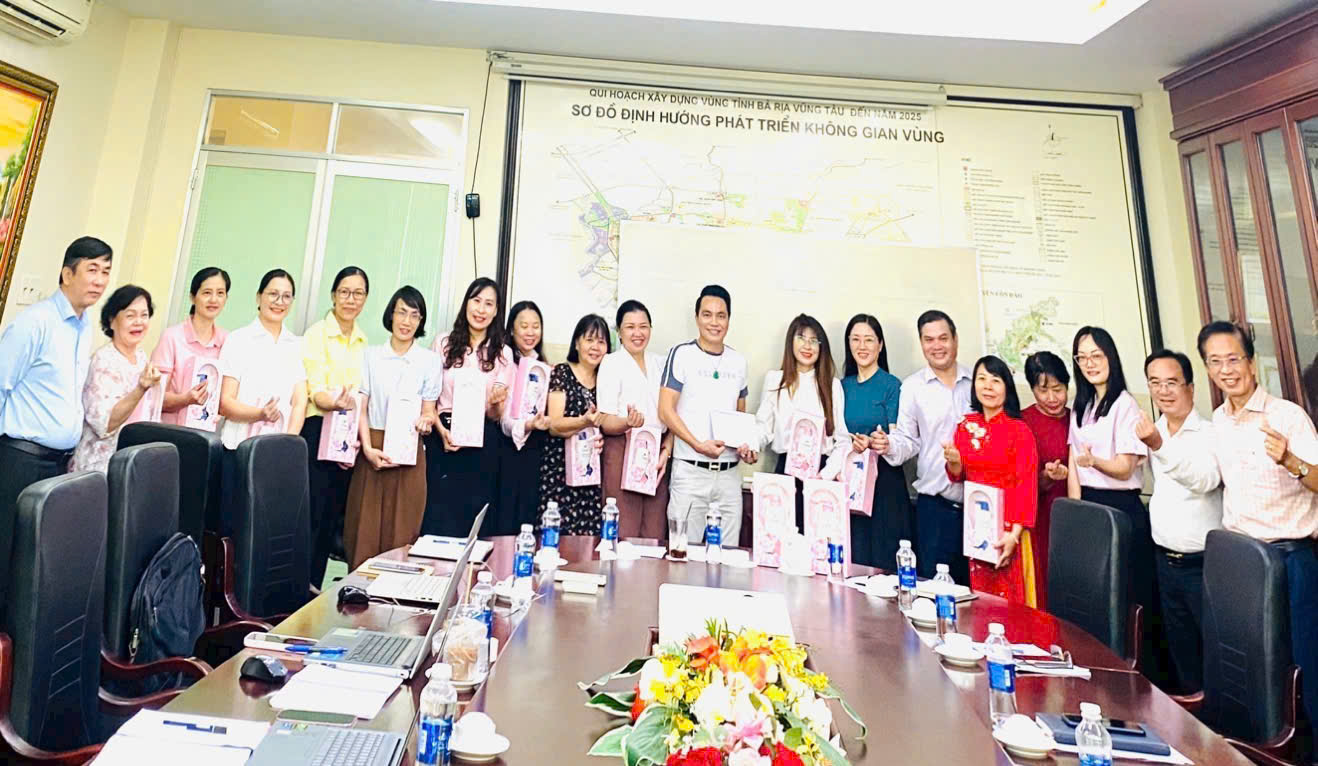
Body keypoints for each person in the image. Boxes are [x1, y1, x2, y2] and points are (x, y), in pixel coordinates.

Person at [1189, 321, 1318, 726]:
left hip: (1290, 561)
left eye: (1233, 359)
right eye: (1215, 362)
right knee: (1253, 671)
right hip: (1242, 564)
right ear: (1207, 369)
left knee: (1305, 668)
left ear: (1251, 362)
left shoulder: (1287, 415)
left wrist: (1289, 460)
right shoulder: (1219, 420)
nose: (1226, 370)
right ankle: (1257, 748)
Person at [0, 236, 109, 616]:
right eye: (92, 270)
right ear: (66, 274)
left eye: (105, 271)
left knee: (34, 565)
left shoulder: (83, 325)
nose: (100, 280)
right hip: (20, 460)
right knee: (6, 559)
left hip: (57, 463)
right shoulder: (35, 322)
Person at [1133, 349, 1222, 696]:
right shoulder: (1153, 430)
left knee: (1214, 654)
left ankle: (1218, 725)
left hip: (1203, 564)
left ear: (1190, 388)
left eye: (1171, 383)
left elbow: (1205, 481)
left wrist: (1159, 447)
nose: (1163, 391)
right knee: (1181, 655)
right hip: (1164, 561)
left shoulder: (1210, 432)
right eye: (1155, 383)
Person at [344, 286, 441, 568]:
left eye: (414, 315)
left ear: (421, 321)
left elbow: (429, 411)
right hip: (373, 446)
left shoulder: (429, 361)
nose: (406, 321)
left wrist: (425, 422)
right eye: (401, 312)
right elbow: (361, 407)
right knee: (364, 532)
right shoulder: (370, 355)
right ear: (391, 314)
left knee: (402, 534)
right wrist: (368, 448)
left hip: (409, 451)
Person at [1065, 326, 1153, 613]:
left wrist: (1095, 462)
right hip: (1089, 505)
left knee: (1124, 597)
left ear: (1110, 357)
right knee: (1093, 595)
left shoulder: (1125, 404)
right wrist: (1076, 510)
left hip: (1120, 506)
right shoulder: (1081, 404)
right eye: (1082, 358)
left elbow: (1126, 468)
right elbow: (1073, 460)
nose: (1089, 364)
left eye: (1096, 356)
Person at [217, 269, 309, 537]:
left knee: (267, 534)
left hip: (276, 456)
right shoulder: (238, 339)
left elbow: (300, 400)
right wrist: (259, 414)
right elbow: (225, 402)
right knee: (234, 533)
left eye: (286, 296)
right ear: (259, 297)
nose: (279, 302)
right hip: (238, 451)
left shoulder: (295, 344)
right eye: (273, 294)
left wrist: (288, 443)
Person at [660, 285, 753, 545]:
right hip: (690, 472)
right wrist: (697, 444)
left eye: (721, 316)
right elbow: (665, 410)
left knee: (728, 556)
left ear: (729, 320)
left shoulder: (738, 362)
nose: (714, 322)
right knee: (682, 553)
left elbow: (740, 415)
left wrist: (746, 447)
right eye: (707, 314)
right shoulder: (681, 354)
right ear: (697, 318)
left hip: (729, 476)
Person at [882, 310, 972, 581]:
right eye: (929, 340)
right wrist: (887, 445)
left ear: (955, 340)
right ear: (921, 343)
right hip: (935, 509)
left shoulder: (978, 383)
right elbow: (908, 441)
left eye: (943, 338)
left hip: (979, 507)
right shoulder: (913, 388)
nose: (937, 346)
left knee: (979, 595)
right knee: (934, 590)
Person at [944, 355, 1040, 605]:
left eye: (995, 380)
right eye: (981, 379)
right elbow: (958, 475)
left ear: (1007, 387)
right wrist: (954, 460)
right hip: (978, 528)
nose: (987, 386)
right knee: (982, 599)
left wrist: (1014, 535)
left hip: (1011, 529)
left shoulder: (1019, 430)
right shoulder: (966, 426)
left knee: (1014, 601)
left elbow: (1026, 485)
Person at [424, 277, 512, 537]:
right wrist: (441, 431)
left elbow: (496, 415)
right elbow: (428, 399)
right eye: (476, 301)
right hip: (444, 437)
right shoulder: (443, 343)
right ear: (466, 304)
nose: (481, 309)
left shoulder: (503, 353)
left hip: (483, 441)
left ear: (496, 311)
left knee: (474, 523)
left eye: (489, 304)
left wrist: (496, 403)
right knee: (439, 518)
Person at [301, 266, 370, 588]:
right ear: (333, 295)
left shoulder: (364, 342)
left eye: (358, 293)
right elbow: (314, 389)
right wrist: (336, 401)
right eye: (344, 292)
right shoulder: (316, 334)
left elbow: (362, 395)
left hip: (346, 435)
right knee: (312, 516)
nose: (350, 299)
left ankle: (318, 589)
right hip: (318, 429)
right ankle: (301, 590)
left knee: (333, 519)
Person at [754, 314, 849, 528]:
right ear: (791, 342)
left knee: (817, 542)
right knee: (782, 539)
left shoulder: (832, 385)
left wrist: (824, 476)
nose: (807, 346)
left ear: (821, 347)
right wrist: (750, 445)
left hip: (820, 478)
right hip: (784, 475)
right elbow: (763, 428)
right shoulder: (775, 380)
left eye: (814, 340)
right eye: (801, 338)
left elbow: (842, 440)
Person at [839, 314, 912, 568]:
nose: (862, 346)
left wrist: (880, 442)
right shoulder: (841, 387)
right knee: (854, 559)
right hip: (850, 483)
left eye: (869, 340)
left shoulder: (892, 385)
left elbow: (899, 437)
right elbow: (834, 435)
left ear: (880, 345)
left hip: (884, 485)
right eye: (856, 339)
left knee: (883, 563)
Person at [598, 300, 673, 539]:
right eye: (630, 327)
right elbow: (605, 421)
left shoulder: (661, 363)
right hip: (622, 449)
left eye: (643, 326)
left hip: (656, 453)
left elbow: (673, 412)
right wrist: (627, 422)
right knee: (624, 529)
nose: (637, 333)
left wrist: (667, 449)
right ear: (619, 332)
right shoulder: (611, 363)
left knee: (654, 530)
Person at [70, 285, 162, 473]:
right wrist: (140, 389)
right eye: (130, 316)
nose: (139, 322)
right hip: (100, 468)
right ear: (112, 321)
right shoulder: (103, 361)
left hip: (132, 464)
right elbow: (105, 424)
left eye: (144, 315)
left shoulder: (141, 357)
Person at [538, 314, 610, 535]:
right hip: (559, 471)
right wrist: (584, 421)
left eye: (601, 341)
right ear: (577, 343)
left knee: (588, 540)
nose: (595, 347)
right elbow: (554, 424)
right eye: (589, 340)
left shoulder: (606, 379)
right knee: (556, 537)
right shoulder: (562, 372)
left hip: (590, 474)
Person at [1020, 350, 1071, 610]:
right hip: (1039, 523)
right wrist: (1047, 477)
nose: (1052, 398)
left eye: (1058, 389)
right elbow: (1019, 484)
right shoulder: (1023, 423)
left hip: (1074, 521)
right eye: (1043, 391)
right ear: (1032, 390)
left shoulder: (1078, 419)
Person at [496, 300, 551, 535]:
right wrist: (528, 424)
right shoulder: (505, 362)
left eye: (535, 326)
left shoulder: (545, 368)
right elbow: (503, 420)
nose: (530, 332)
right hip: (506, 450)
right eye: (524, 326)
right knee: (505, 519)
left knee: (528, 520)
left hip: (535, 451)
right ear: (511, 329)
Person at [152, 267, 230, 429]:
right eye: (207, 293)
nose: (214, 299)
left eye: (220, 293)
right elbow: (154, 397)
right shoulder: (172, 337)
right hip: (170, 433)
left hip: (207, 435)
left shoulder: (227, 341)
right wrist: (185, 399)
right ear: (193, 297)